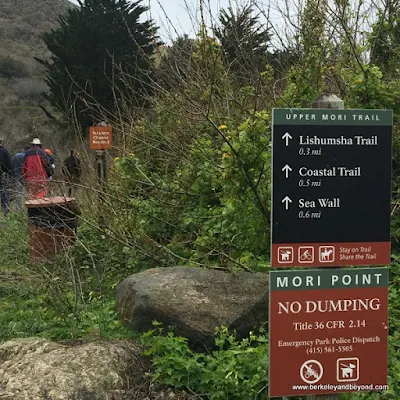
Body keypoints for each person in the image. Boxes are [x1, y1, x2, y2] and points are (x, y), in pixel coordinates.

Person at [0, 138, 12, 215]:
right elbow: (9, 165)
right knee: (4, 192)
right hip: (2, 174)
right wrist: (10, 175)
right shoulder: (5, 152)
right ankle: (5, 211)